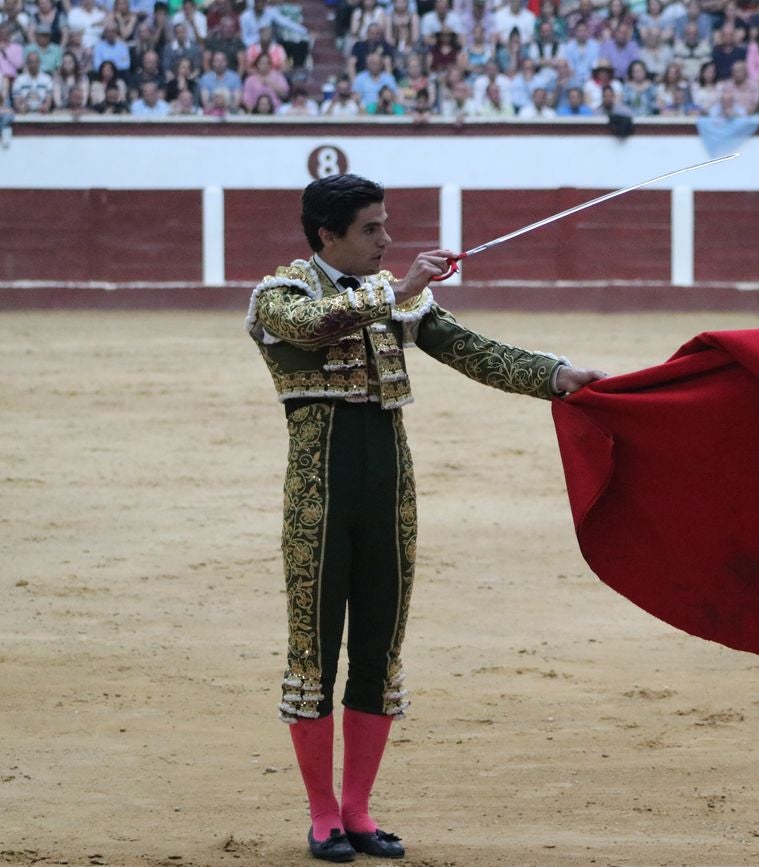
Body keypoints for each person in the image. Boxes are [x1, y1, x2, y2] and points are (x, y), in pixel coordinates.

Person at [246, 174, 605, 863]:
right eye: (371, 229)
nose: (387, 239)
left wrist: (556, 375)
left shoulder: (395, 296)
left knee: (379, 648)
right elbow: (315, 328)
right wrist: (400, 288)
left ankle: (358, 809)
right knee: (314, 652)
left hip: (390, 489)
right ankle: (322, 814)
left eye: (386, 225)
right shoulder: (280, 295)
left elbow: (472, 350)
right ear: (328, 235)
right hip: (318, 497)